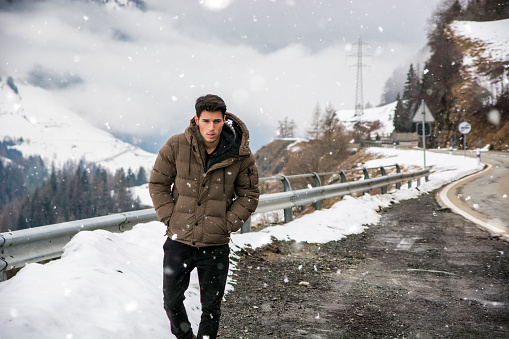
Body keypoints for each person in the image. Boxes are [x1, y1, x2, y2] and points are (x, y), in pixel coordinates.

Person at [149, 94, 260, 339]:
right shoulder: (176, 145)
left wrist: (226, 225)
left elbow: (249, 194)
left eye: (217, 121)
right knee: (171, 303)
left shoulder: (240, 154)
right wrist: (171, 218)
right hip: (179, 241)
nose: (211, 128)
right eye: (206, 120)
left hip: (215, 245)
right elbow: (158, 183)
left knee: (211, 310)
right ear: (196, 119)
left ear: (224, 120)